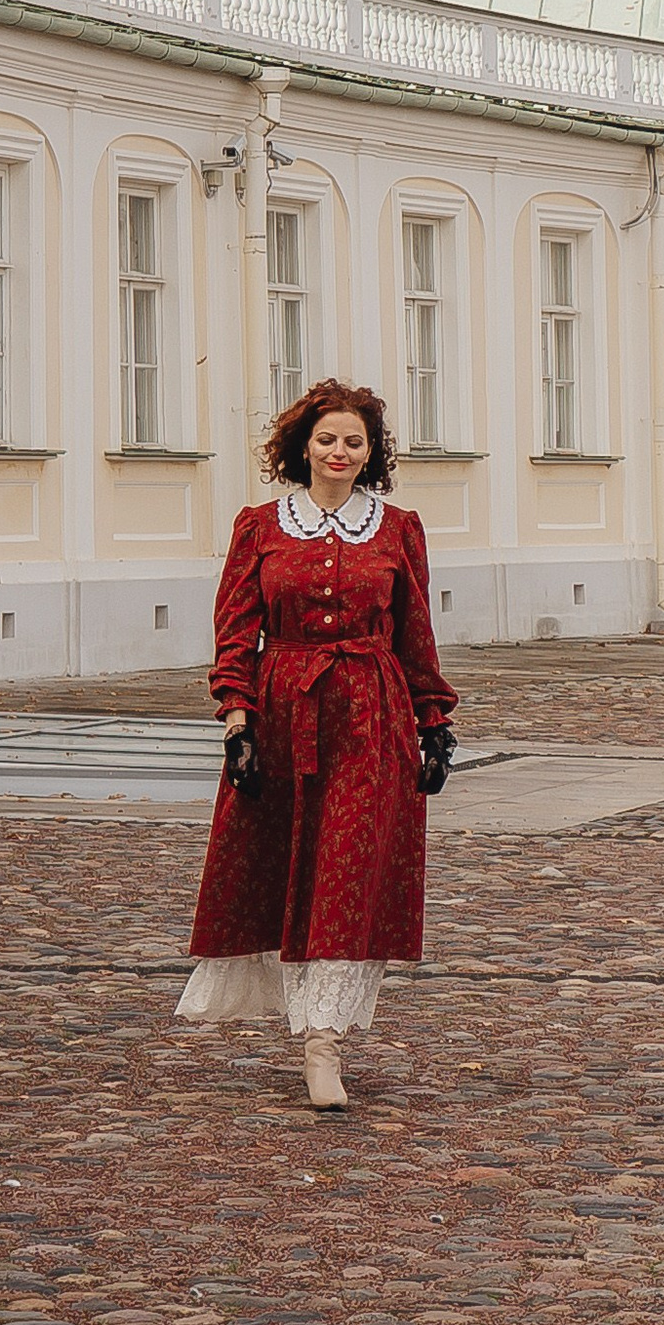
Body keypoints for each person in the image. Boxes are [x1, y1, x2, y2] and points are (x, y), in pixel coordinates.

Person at [176, 378, 458, 1111]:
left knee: (347, 870)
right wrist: (236, 723)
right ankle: (303, 1025)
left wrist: (435, 723)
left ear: (372, 454)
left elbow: (416, 633)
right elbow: (235, 632)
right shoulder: (260, 527)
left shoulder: (397, 529)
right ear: (302, 446)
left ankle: (322, 1045)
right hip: (282, 711)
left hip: (373, 715)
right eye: (328, 439)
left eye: (354, 442)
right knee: (285, 869)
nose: (340, 452)